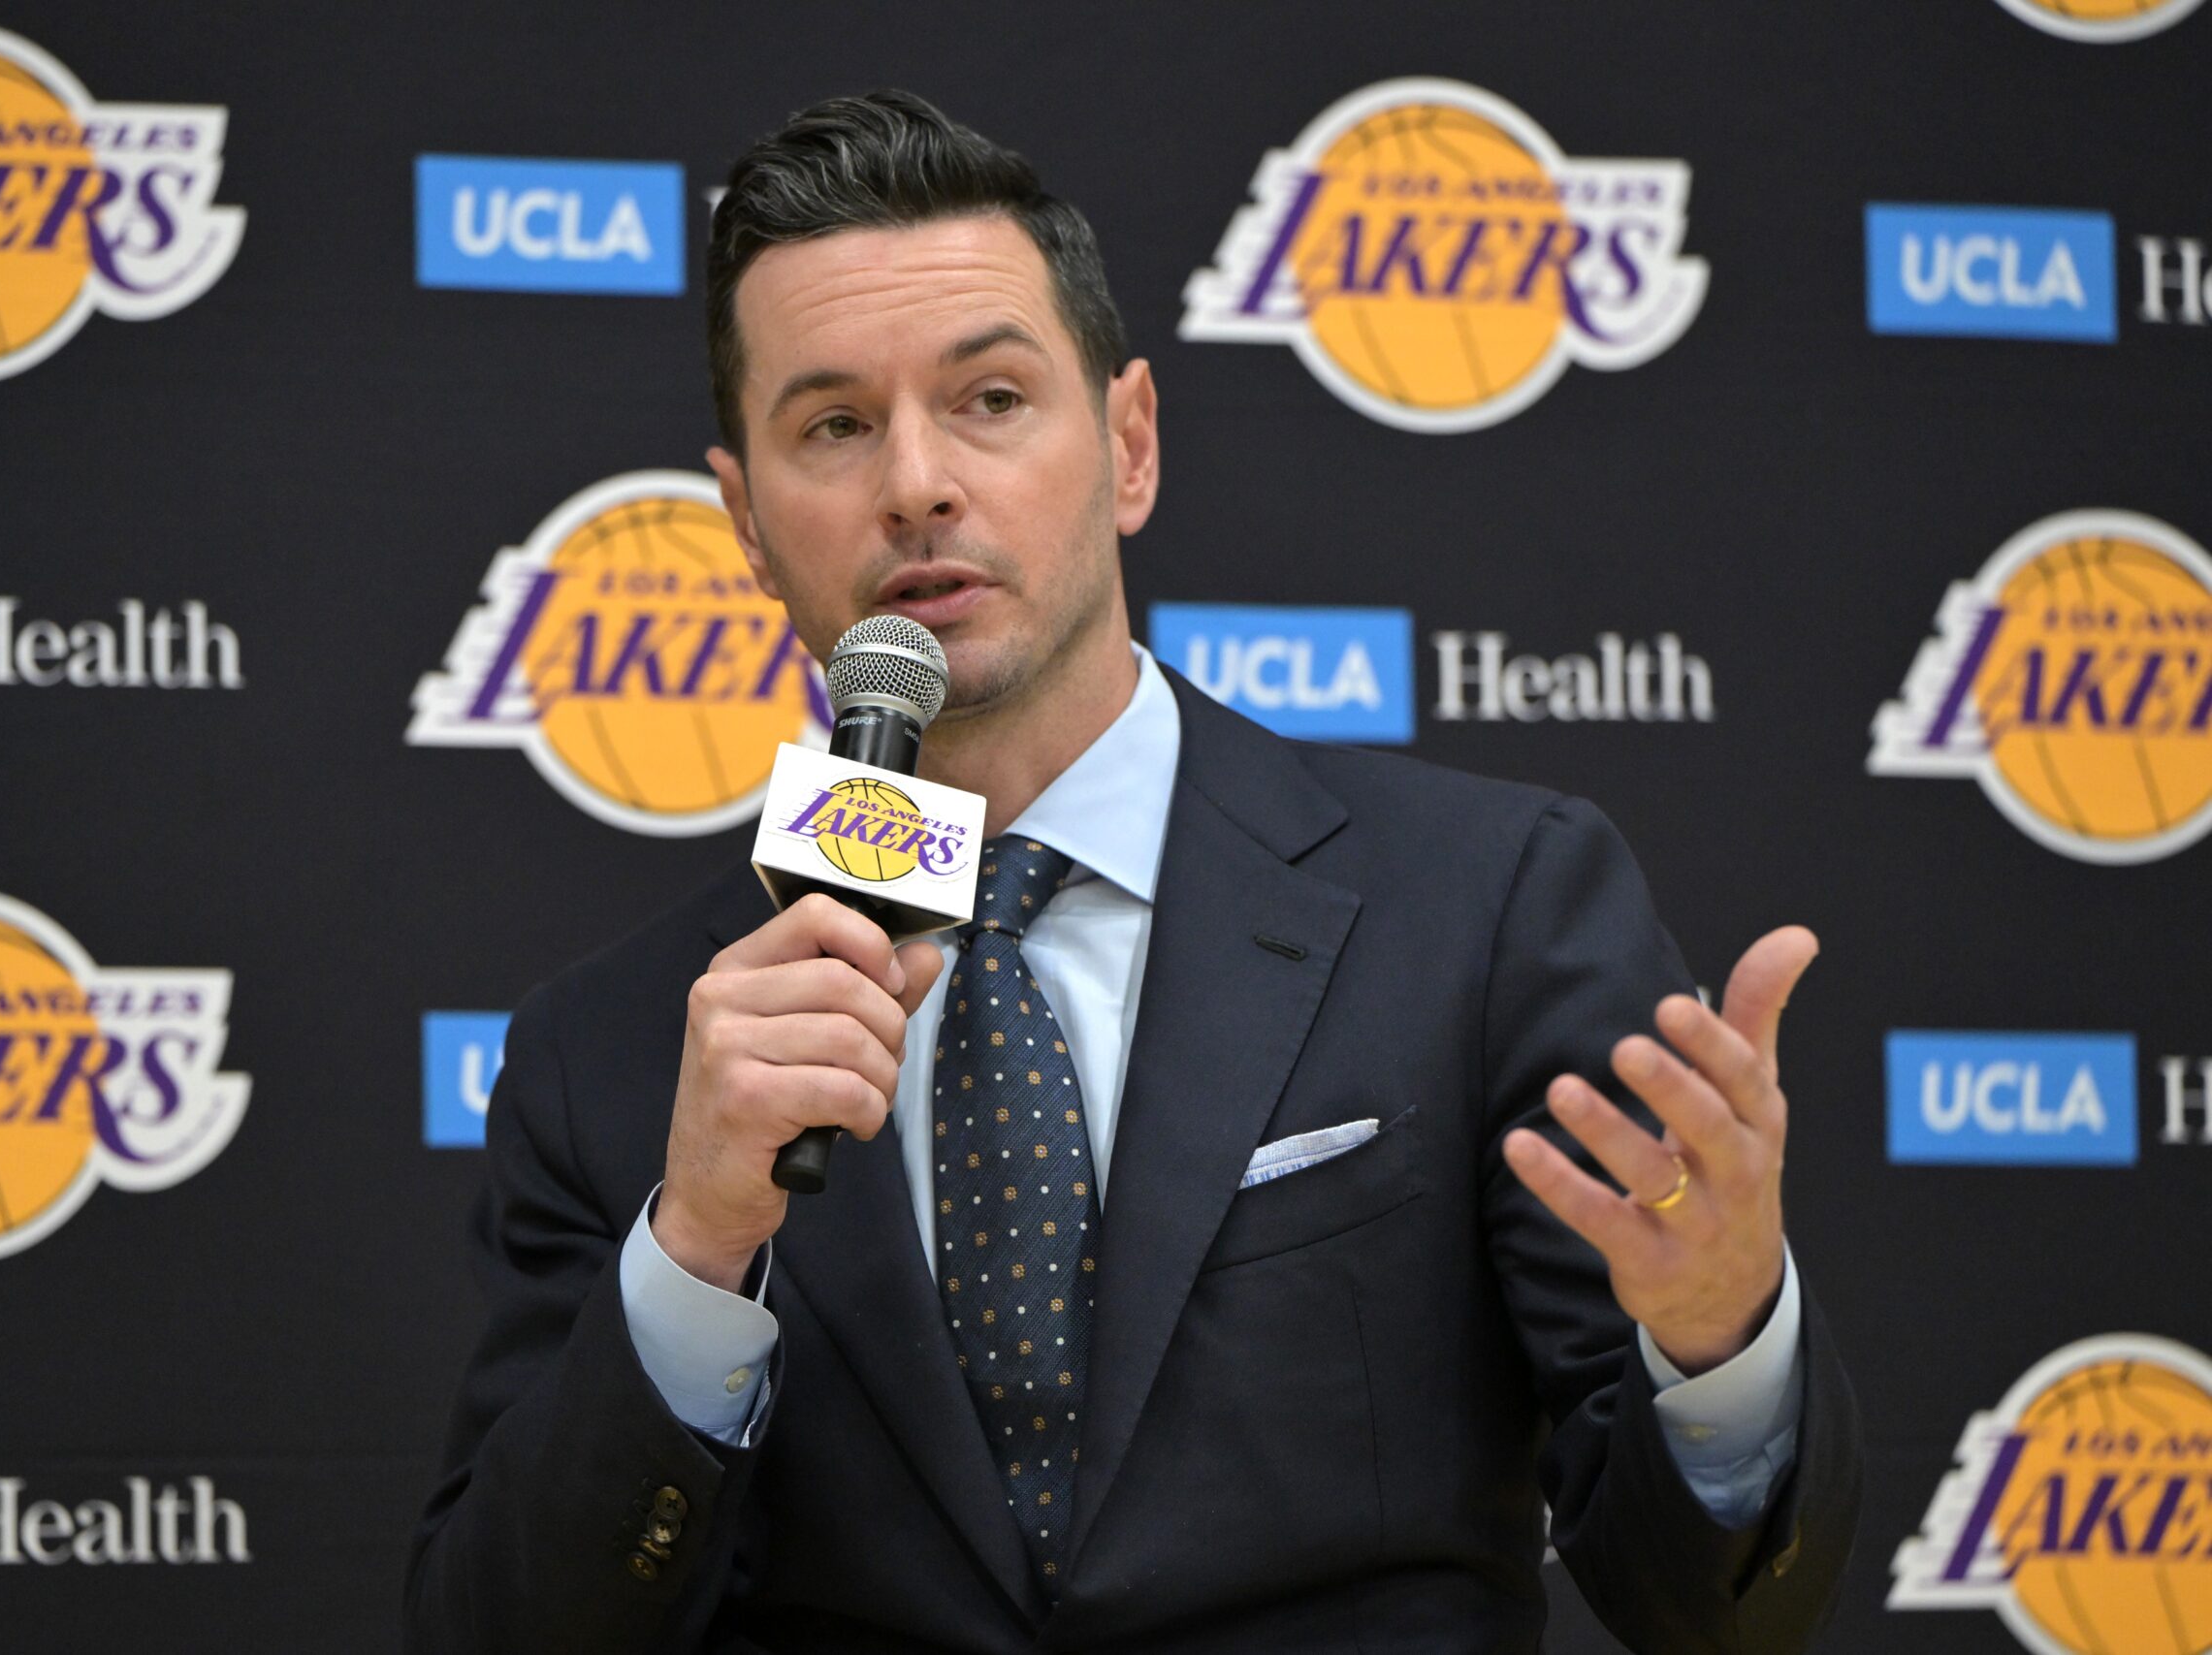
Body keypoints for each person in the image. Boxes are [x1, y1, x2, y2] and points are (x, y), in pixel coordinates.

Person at [405, 90, 1861, 1655]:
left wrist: (1718, 1336)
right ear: (746, 523)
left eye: (992, 399)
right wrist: (695, 1246)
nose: (915, 483)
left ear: (1131, 443)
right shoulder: (615, 1054)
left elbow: (1710, 1614)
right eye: (833, 426)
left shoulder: (1488, 904)